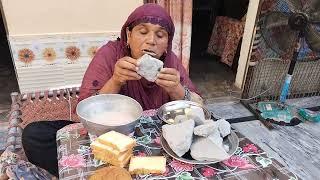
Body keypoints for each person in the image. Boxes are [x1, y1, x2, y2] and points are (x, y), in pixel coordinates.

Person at [22, 3, 202, 178]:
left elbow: (198, 109)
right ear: (129, 35)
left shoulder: (171, 63)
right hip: (103, 133)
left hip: (150, 137)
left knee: (195, 140)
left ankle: (136, 170)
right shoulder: (110, 54)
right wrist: (116, 80)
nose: (151, 41)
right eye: (143, 32)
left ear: (166, 45)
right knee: (35, 134)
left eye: (160, 35)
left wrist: (176, 89)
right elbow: (83, 112)